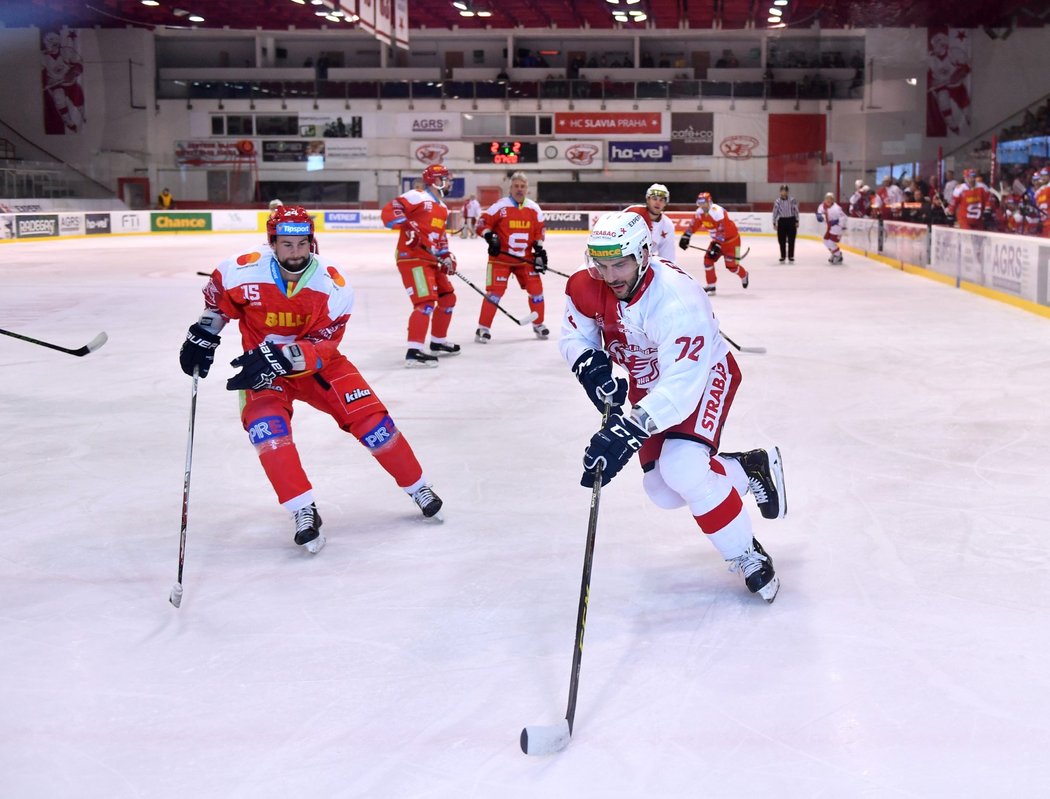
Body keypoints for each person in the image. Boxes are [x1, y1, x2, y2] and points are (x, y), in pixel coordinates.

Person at [177, 205, 444, 555]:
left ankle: (418, 486)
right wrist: (204, 334)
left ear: (312, 242)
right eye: (287, 245)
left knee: (373, 423)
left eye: (302, 244)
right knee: (267, 431)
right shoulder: (238, 271)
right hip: (261, 372)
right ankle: (302, 509)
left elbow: (326, 343)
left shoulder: (332, 284)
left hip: (319, 366)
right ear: (273, 242)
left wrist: (280, 357)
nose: (296, 252)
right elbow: (219, 307)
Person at [560, 211, 786, 602]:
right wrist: (589, 365)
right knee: (663, 490)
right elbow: (574, 333)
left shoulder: (677, 299)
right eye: (602, 264)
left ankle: (745, 551)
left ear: (644, 254)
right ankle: (746, 468)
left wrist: (628, 431)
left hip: (702, 375)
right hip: (649, 384)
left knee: (683, 465)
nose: (610, 275)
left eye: (620, 264)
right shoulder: (586, 285)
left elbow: (683, 385)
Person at [380, 164, 460, 367]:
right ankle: (414, 351)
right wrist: (407, 226)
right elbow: (392, 209)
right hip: (413, 259)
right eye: (446, 178)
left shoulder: (442, 208)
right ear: (436, 181)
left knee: (448, 297)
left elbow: (439, 238)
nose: (449, 182)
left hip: (430, 260)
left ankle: (438, 341)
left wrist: (447, 256)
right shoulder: (417, 196)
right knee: (424, 303)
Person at [474, 171, 549, 342]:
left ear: (527, 189)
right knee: (494, 293)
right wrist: (489, 236)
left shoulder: (533, 208)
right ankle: (482, 328)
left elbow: (539, 231)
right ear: (510, 188)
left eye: (522, 186)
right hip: (501, 259)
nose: (519, 189)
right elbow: (481, 223)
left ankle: (539, 324)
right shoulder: (500, 206)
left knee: (537, 292)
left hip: (525, 260)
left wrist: (538, 249)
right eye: (516, 186)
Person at [678, 192, 748, 294]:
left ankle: (744, 274)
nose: (702, 205)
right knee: (708, 260)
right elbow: (693, 225)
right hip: (717, 241)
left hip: (732, 242)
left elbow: (722, 229)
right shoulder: (699, 213)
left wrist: (717, 244)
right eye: (700, 203)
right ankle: (711, 286)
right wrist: (686, 236)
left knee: (732, 266)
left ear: (709, 202)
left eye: (704, 203)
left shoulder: (717, 211)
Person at [624, 183, 677, 263]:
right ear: (648, 199)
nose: (658, 203)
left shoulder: (667, 225)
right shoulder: (633, 213)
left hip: (645, 263)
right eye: (654, 198)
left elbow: (667, 257)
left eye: (661, 200)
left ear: (665, 203)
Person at [772, 184, 799, 263]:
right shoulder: (777, 201)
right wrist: (774, 222)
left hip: (791, 220)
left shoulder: (792, 200)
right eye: (782, 191)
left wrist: (797, 220)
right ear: (780, 192)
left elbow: (796, 210)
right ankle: (783, 256)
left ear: (787, 191)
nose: (783, 192)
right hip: (782, 221)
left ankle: (791, 256)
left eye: (785, 191)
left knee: (791, 239)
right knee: (781, 240)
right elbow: (775, 212)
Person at [816, 192, 846, 264]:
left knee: (830, 242)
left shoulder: (837, 208)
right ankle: (835, 253)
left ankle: (838, 255)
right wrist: (818, 215)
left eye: (830, 199)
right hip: (829, 227)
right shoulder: (823, 205)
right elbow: (819, 210)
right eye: (827, 199)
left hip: (837, 228)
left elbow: (844, 217)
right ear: (825, 199)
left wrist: (837, 221)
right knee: (825, 241)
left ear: (833, 200)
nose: (828, 201)